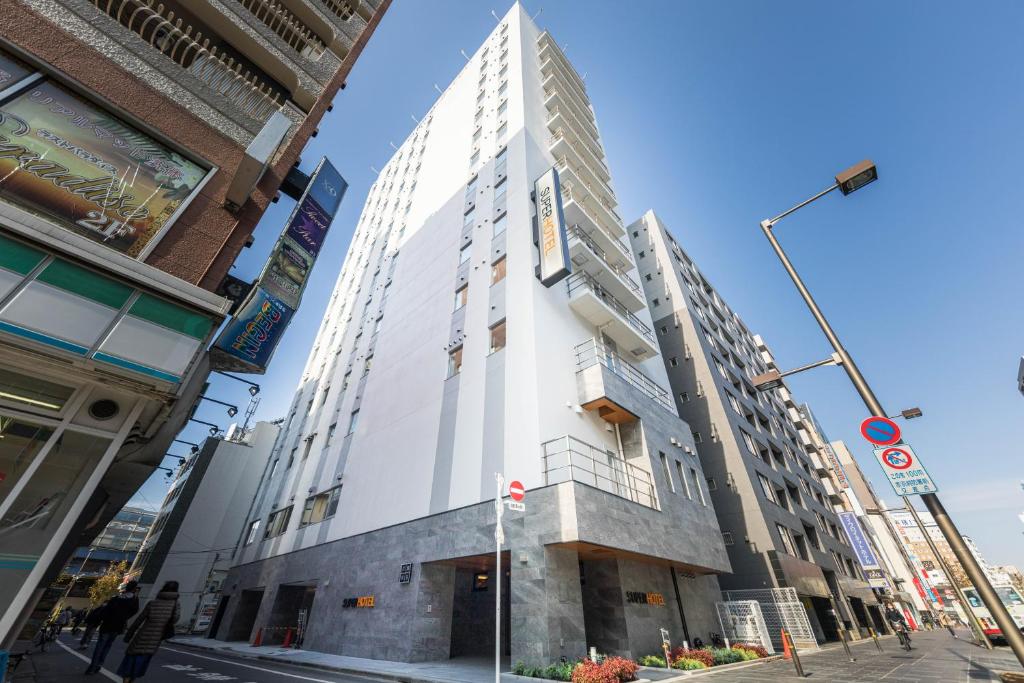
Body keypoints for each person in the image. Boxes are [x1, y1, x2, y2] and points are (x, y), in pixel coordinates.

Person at [116, 581, 179, 682]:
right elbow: (175, 619)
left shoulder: (152, 603)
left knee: (130, 660)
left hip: (141, 636)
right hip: (156, 639)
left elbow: (139, 620)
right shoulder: (175, 605)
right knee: (141, 662)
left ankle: (126, 680)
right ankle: (132, 679)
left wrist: (129, 635)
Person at [84, 580, 140, 675]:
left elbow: (105, 611)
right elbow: (135, 611)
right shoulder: (134, 600)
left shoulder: (116, 598)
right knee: (108, 645)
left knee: (100, 645)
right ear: (134, 589)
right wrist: (125, 617)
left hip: (107, 624)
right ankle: (99, 664)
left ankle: (93, 666)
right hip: (118, 625)